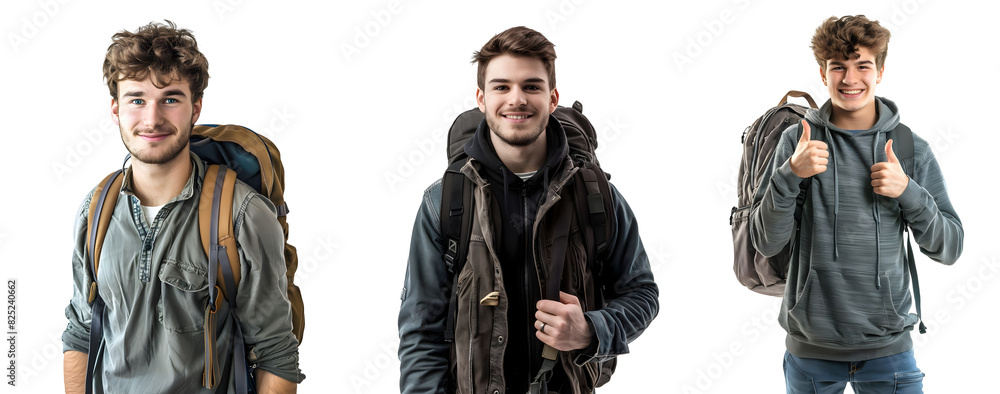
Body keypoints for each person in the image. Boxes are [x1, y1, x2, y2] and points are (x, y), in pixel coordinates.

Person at [398, 26, 659, 394]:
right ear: (481, 98)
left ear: (552, 99)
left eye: (531, 86)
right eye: (501, 87)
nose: (516, 99)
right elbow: (421, 329)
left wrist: (591, 329)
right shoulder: (444, 201)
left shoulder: (596, 195)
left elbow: (642, 294)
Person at [61, 21, 303, 393]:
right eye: (137, 99)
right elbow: (80, 332)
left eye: (170, 99)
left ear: (195, 108)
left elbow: (276, 354)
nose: (152, 118)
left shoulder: (242, 216)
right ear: (115, 109)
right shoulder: (95, 210)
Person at [750, 15, 963, 393]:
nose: (850, 79)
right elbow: (766, 244)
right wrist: (790, 175)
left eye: (862, 65)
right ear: (823, 73)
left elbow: (949, 248)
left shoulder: (910, 148)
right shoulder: (796, 142)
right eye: (838, 67)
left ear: (880, 71)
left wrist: (908, 191)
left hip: (889, 352)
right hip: (810, 353)